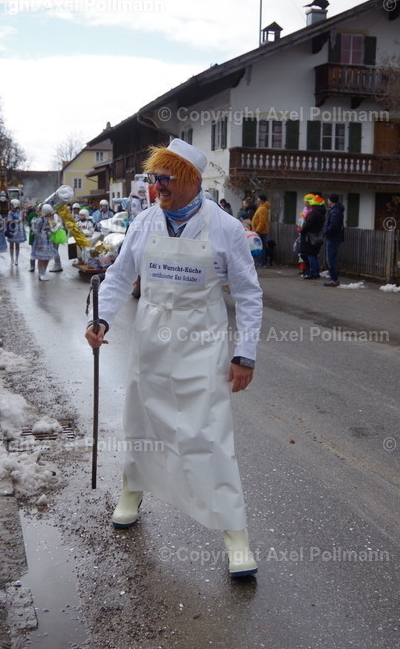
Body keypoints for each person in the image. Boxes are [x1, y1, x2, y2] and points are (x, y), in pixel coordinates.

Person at [84, 138, 263, 578]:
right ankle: (132, 489)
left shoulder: (224, 227)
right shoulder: (146, 222)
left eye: (166, 178)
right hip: (151, 337)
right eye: (154, 178)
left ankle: (235, 534)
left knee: (209, 431)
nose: (158, 186)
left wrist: (245, 354)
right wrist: (101, 320)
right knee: (141, 419)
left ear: (192, 181)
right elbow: (119, 275)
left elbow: (247, 293)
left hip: (202, 340)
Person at [30, 203, 62, 281]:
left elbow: (53, 228)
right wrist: (39, 243)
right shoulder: (40, 220)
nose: (52, 215)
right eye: (50, 213)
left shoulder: (49, 220)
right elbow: (36, 232)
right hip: (41, 240)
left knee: (47, 257)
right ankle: (40, 274)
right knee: (41, 258)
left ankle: (43, 273)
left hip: (48, 240)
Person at [299, 193, 325, 279]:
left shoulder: (314, 213)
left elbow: (308, 224)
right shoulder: (321, 213)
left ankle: (313, 272)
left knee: (310, 254)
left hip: (311, 236)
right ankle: (315, 271)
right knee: (313, 254)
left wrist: (302, 231)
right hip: (316, 235)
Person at [322, 194, 345, 286]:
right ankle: (333, 278)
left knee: (331, 259)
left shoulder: (335, 212)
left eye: (328, 200)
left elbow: (333, 226)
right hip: (334, 237)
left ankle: (334, 279)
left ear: (331, 201)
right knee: (331, 259)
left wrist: (326, 231)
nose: (327, 201)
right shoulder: (336, 211)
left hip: (332, 238)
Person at [251, 194, 271, 269]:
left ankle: (262, 262)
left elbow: (262, 221)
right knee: (261, 247)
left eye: (258, 199)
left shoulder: (263, 209)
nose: (257, 200)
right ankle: (261, 262)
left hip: (261, 231)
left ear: (261, 200)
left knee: (261, 247)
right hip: (260, 231)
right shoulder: (261, 208)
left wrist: (257, 231)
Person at [5, 199, 26, 266]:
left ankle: (16, 259)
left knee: (17, 245)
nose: (10, 206)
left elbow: (19, 220)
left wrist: (11, 220)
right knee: (11, 244)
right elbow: (9, 219)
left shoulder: (20, 212)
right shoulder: (9, 212)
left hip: (17, 229)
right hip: (11, 229)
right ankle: (12, 259)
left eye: (11, 205)